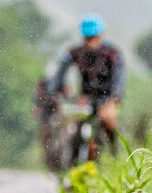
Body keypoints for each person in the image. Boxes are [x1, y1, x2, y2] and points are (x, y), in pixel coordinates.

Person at [47, 14, 125, 159]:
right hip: (85, 99)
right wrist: (54, 90)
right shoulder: (75, 53)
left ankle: (116, 156)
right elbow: (60, 71)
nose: (90, 42)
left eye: (93, 38)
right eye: (87, 38)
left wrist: (115, 96)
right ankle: (71, 161)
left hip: (107, 99)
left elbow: (119, 76)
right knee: (71, 127)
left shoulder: (112, 53)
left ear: (100, 36)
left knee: (108, 122)